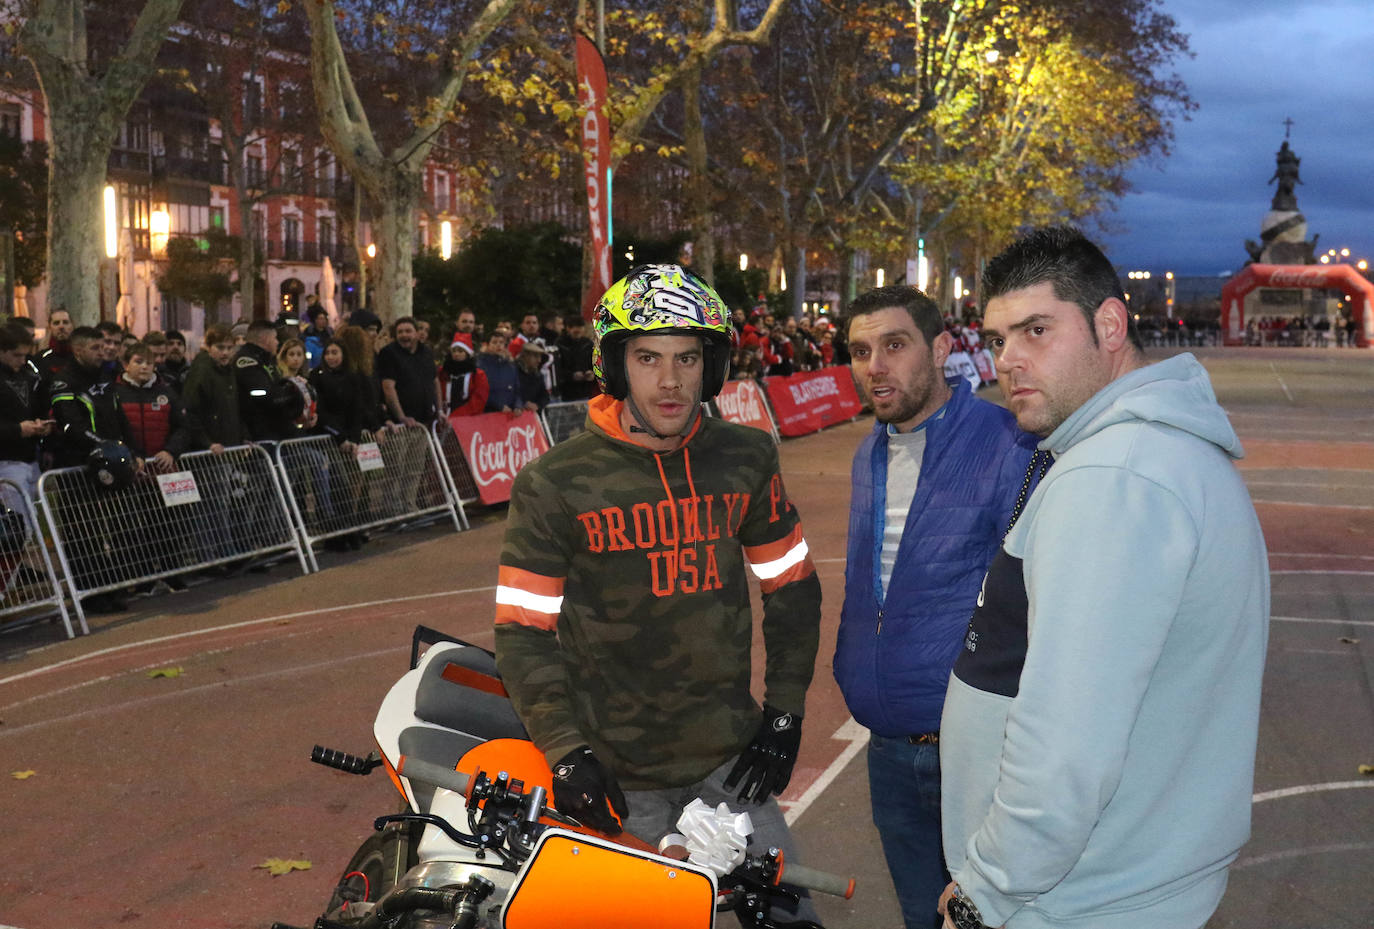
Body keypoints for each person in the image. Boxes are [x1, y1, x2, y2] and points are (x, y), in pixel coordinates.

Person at [938, 227, 1269, 929]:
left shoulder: (1114, 477)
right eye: (997, 338)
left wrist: (984, 893)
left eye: (1036, 329)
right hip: (1124, 882)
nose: (1009, 361)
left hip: (1078, 900)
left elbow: (1065, 743)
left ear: (1109, 324)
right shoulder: (1152, 455)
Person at [492, 264, 822, 923]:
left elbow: (792, 588)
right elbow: (523, 632)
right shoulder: (553, 484)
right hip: (616, 779)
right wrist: (565, 751)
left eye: (687, 357)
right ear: (616, 366)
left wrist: (784, 714)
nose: (670, 381)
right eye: (648, 358)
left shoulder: (746, 457)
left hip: (733, 765)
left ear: (712, 364)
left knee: (791, 920)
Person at [833, 286, 1040, 929]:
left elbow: (1034, 599)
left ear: (942, 349)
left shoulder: (1009, 441)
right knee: (922, 919)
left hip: (975, 752)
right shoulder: (870, 452)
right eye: (861, 351)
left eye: (895, 346)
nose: (876, 366)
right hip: (889, 751)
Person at [0, 323, 53, 508]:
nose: (22, 361)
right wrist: (18, 430)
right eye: (16, 355)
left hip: (31, 459)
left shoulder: (30, 377)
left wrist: (43, 424)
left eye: (25, 355)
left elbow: (40, 408)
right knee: (19, 526)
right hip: (5, 462)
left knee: (38, 520)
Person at [181, 325, 243, 452]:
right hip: (210, 448)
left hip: (225, 444)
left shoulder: (228, 371)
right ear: (209, 347)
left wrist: (243, 436)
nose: (225, 352)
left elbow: (234, 409)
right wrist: (206, 443)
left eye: (229, 348)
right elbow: (191, 410)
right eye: (220, 347)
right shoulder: (201, 372)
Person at [376, 317, 438, 427]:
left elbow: (435, 381)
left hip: (426, 420)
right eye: (400, 332)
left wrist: (440, 411)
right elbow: (388, 388)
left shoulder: (426, 352)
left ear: (417, 333)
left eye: (408, 331)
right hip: (403, 425)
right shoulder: (388, 353)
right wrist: (401, 417)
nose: (404, 335)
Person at [440, 338, 488, 418]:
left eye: (460, 351)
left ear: (467, 353)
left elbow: (479, 400)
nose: (456, 354)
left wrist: (457, 416)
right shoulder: (443, 372)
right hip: (444, 416)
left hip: (467, 418)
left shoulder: (477, 375)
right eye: (454, 351)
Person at [555, 314, 598, 401]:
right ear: (567, 328)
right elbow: (556, 369)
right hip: (566, 392)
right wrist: (571, 376)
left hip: (585, 391)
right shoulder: (560, 344)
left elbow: (595, 364)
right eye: (573, 327)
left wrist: (592, 374)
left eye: (579, 327)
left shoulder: (588, 344)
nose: (576, 330)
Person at [477, 331, 520, 414]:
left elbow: (517, 390)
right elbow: (481, 391)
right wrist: (499, 406)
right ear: (487, 345)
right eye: (494, 342)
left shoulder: (510, 366)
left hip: (510, 414)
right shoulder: (481, 365)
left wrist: (518, 405)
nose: (498, 345)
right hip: (489, 413)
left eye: (501, 342)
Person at [37, 307, 73, 381]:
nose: (61, 326)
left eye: (65, 322)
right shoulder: (41, 359)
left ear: (72, 326)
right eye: (56, 323)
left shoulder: (81, 356)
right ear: (50, 328)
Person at [515, 342, 550, 412]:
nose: (539, 360)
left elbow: (545, 395)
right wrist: (522, 403)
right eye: (536, 356)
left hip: (533, 417)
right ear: (525, 356)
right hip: (515, 416)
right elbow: (508, 394)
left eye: (540, 357)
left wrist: (537, 405)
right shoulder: (513, 372)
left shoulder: (538, 375)